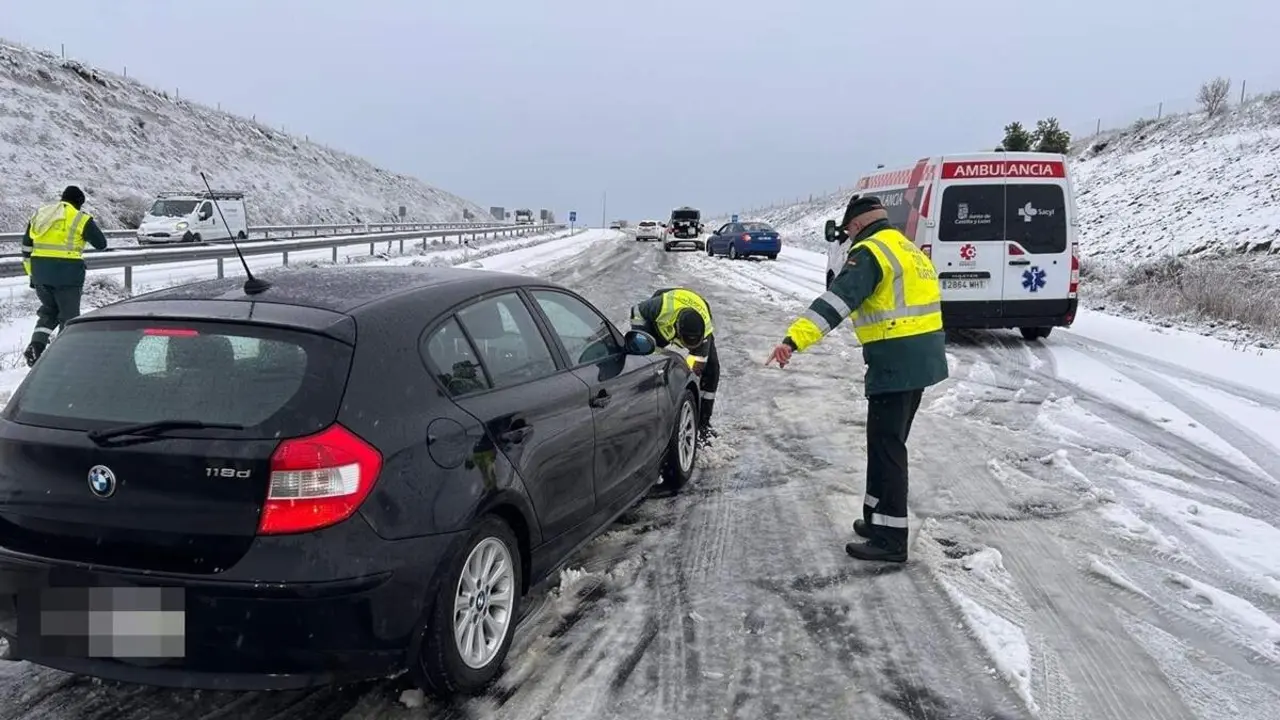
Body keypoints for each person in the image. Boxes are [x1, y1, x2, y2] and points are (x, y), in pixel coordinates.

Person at [765, 194, 948, 562]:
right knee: (884, 441)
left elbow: (837, 301)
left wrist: (793, 340)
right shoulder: (907, 248)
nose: (847, 237)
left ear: (860, 224)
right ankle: (877, 519)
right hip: (922, 359)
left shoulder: (871, 252)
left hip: (896, 361)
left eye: (848, 230)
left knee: (887, 447)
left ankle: (891, 540)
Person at [20, 185, 109, 366]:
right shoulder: (79, 218)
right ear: (79, 203)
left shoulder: (41, 214)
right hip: (67, 275)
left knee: (48, 311)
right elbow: (101, 243)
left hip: (39, 273)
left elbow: (26, 247)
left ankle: (36, 346)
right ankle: (62, 358)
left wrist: (32, 275)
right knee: (69, 317)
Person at [630, 287, 720, 442]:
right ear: (678, 330)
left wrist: (687, 393)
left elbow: (695, 370)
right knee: (649, 363)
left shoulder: (705, 329)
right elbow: (636, 310)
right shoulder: (660, 306)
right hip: (661, 324)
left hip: (696, 312)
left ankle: (703, 425)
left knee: (712, 370)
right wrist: (644, 337)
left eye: (694, 344)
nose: (690, 347)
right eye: (688, 343)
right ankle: (646, 411)